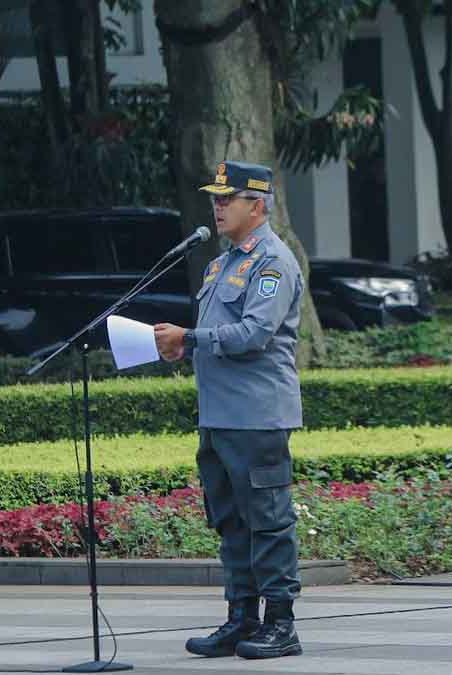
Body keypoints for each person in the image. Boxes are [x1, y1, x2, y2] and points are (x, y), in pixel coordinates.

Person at [153, 160, 304, 659]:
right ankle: (242, 618)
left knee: (268, 519)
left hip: (257, 417)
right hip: (218, 417)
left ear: (257, 206)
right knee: (230, 521)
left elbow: (255, 335)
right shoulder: (221, 264)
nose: (217, 206)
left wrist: (191, 336)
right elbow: (218, 337)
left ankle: (281, 624)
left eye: (227, 199)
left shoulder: (272, 263)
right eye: (215, 198)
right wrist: (184, 346)